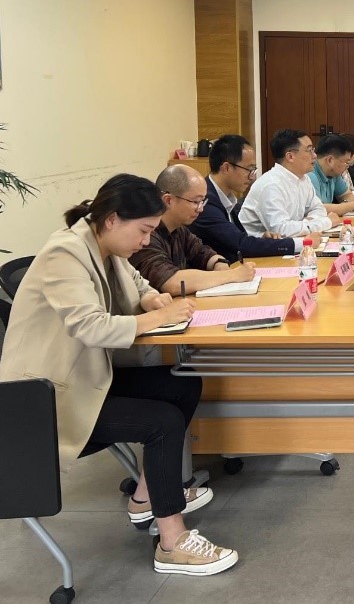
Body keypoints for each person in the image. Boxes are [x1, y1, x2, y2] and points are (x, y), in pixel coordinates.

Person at [0, 174, 238, 575]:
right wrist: (159, 316)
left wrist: (152, 298)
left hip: (86, 379)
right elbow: (90, 327)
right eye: (143, 230)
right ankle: (172, 542)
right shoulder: (65, 254)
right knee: (162, 421)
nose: (146, 241)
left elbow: (138, 282)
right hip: (43, 400)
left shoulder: (105, 245)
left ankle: (148, 497)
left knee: (181, 383)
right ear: (112, 219)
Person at [129, 165, 257, 295]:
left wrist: (219, 264)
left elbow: (204, 254)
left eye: (203, 201)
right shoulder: (146, 235)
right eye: (196, 202)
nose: (200, 209)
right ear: (168, 200)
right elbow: (172, 283)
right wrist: (232, 275)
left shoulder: (180, 229)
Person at [189, 134, 298, 264]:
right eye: (249, 169)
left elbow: (237, 239)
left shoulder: (227, 198)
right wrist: (298, 244)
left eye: (254, 170)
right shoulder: (205, 201)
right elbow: (241, 245)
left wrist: (262, 238)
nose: (252, 177)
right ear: (226, 168)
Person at [239, 129, 340, 237]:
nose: (314, 155)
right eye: (309, 150)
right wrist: (326, 222)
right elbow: (281, 230)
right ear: (290, 156)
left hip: (289, 242)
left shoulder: (304, 178)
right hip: (257, 245)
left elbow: (318, 208)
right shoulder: (271, 185)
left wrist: (308, 222)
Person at [307, 133, 354, 216]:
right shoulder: (310, 175)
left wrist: (345, 206)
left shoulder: (334, 173)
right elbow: (318, 209)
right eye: (346, 162)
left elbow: (348, 195)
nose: (348, 166)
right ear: (330, 160)